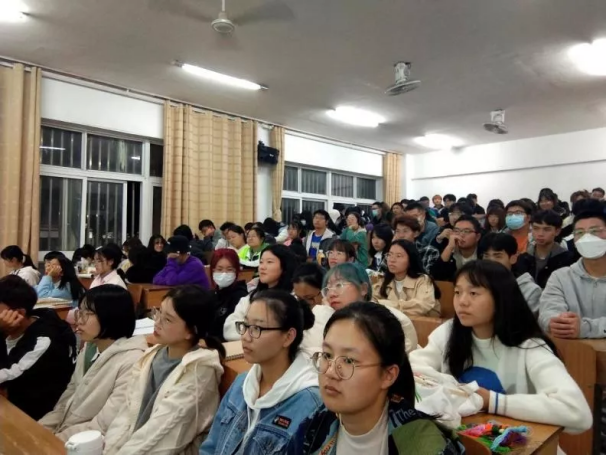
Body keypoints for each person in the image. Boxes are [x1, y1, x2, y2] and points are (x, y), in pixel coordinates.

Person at [409, 261, 592, 433]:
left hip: (519, 443)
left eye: (473, 293)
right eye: (457, 292)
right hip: (465, 439)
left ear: (500, 298)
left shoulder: (530, 347)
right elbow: (413, 369)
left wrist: (492, 401)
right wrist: (452, 388)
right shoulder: (449, 332)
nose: (462, 301)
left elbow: (577, 412)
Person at [296, 303, 461, 455]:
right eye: (327, 355)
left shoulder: (424, 446)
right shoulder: (316, 424)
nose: (331, 371)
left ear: (388, 375)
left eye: (349, 361)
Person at [104, 286, 225, 454]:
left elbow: (162, 435)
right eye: (158, 312)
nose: (157, 322)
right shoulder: (152, 355)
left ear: (191, 331)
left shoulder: (199, 371)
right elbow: (125, 414)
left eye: (167, 319)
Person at [200, 290, 320, 454]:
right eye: (245, 325)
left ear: (288, 337)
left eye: (256, 328)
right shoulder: (242, 384)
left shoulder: (310, 404)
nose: (245, 337)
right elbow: (210, 447)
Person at [39, 285, 147, 441]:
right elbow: (67, 399)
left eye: (88, 314)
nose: (79, 321)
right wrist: (41, 429)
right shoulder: (89, 348)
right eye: (80, 312)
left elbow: (103, 425)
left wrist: (55, 439)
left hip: (86, 443)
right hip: (65, 432)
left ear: (111, 316)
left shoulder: (132, 361)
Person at [0, 275, 76, 420]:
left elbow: (3, 377)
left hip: (35, 416)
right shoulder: (9, 330)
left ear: (19, 313)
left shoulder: (44, 340)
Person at [315, 263, 418, 354]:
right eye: (328, 288)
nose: (331, 294)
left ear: (363, 289)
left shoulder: (391, 320)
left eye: (339, 285)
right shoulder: (325, 314)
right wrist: (325, 313)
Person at [539, 208, 606, 338]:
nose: (587, 238)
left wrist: (585, 328)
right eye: (579, 232)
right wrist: (557, 322)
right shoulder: (560, 277)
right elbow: (548, 311)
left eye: (595, 231)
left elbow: (582, 328)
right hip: (571, 349)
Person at [223, 245, 300, 341]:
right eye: (261, 262)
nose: (262, 267)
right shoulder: (252, 297)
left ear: (285, 267)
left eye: (269, 262)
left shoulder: (294, 299)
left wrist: (249, 327)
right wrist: (259, 330)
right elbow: (229, 329)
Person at [373, 240, 441, 317]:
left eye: (398, 256)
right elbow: (372, 301)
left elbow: (421, 305)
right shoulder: (385, 281)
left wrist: (383, 304)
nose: (392, 260)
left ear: (410, 261)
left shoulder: (423, 280)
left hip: (422, 322)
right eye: (389, 255)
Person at [480, 233, 542, 313]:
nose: (491, 261)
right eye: (486, 256)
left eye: (498, 256)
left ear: (513, 258)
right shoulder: (477, 284)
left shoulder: (529, 290)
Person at [516, 210, 575, 289]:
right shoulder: (523, 258)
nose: (540, 234)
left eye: (547, 229)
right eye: (536, 228)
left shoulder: (568, 259)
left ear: (557, 231)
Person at [209, 249, 248, 340]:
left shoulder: (240, 296)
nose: (224, 273)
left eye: (229, 269)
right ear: (213, 270)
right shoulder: (211, 294)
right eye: (219, 269)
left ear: (236, 271)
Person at [431, 215, 482, 281]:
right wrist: (449, 248)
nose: (461, 235)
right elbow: (436, 276)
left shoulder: (484, 253)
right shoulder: (448, 249)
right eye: (456, 231)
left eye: (466, 231)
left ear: (477, 237)